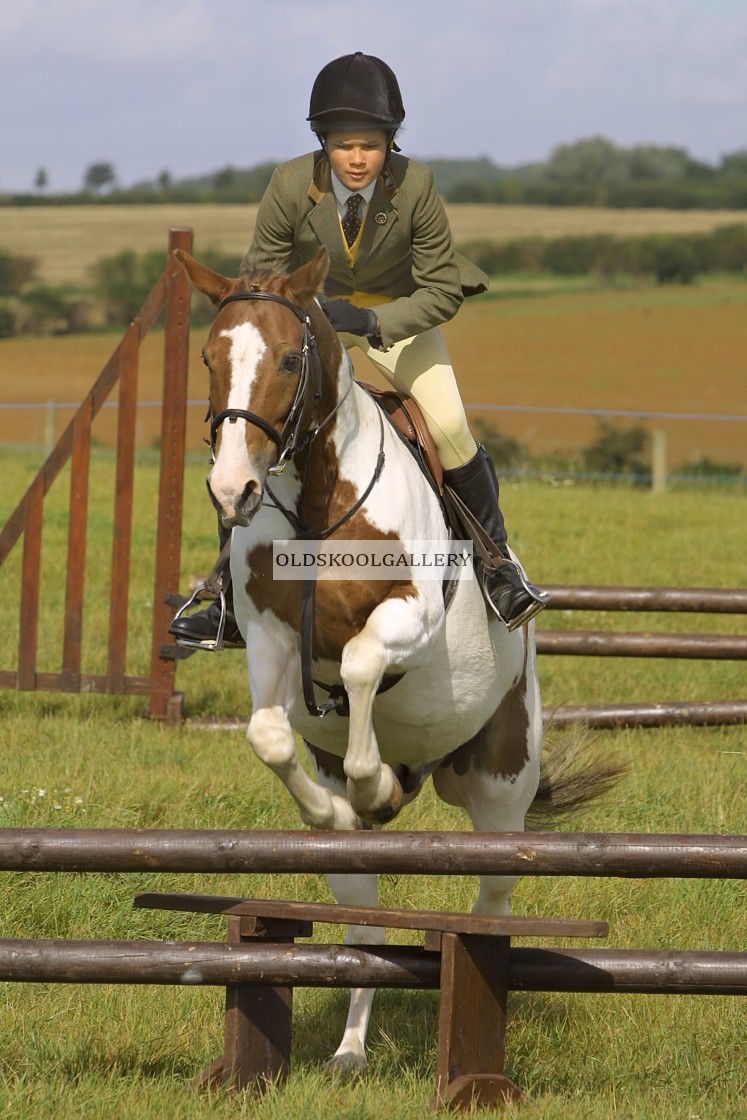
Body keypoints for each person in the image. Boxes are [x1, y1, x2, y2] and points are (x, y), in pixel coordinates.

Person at [169, 51, 548, 649]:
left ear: (389, 144)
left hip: (398, 317)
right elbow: (261, 275)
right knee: (247, 436)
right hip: (306, 321)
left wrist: (372, 320)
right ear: (323, 142)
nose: (356, 158)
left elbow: (442, 288)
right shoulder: (290, 184)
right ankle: (226, 600)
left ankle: (497, 568)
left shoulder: (417, 185)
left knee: (449, 426)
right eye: (343, 145)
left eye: (370, 145)